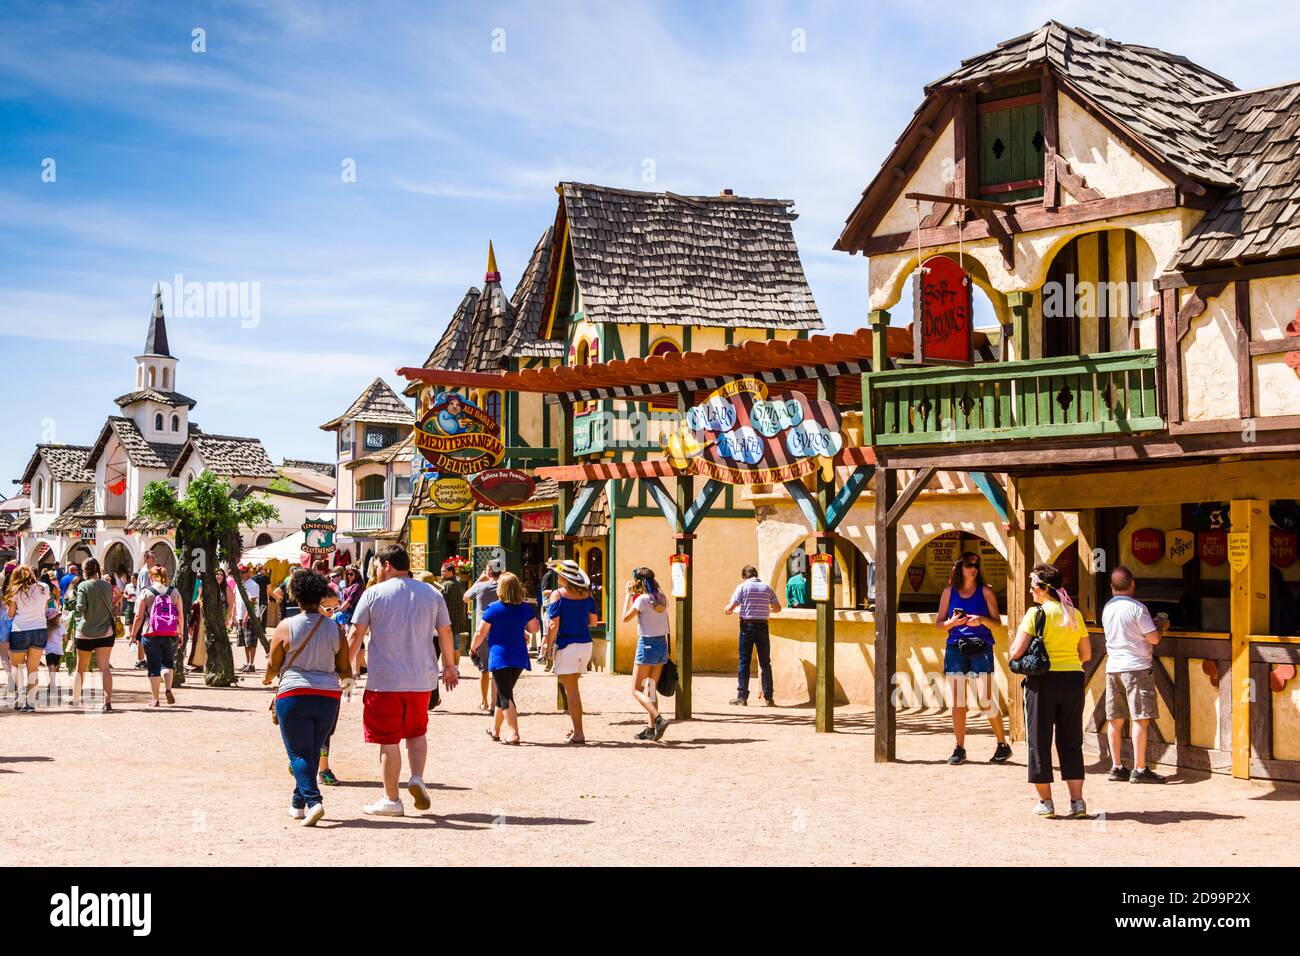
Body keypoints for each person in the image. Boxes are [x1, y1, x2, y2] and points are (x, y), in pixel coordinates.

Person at [347, 544, 458, 817]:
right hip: (422, 679)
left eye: (376, 565)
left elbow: (355, 634)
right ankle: (417, 777)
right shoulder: (432, 593)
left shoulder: (373, 593)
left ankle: (391, 799)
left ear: (386, 565)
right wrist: (450, 666)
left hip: (384, 680)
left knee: (388, 740)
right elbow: (445, 631)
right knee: (417, 733)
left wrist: (346, 669)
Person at [264, 570, 353, 827]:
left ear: (297, 597)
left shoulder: (285, 626)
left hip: (294, 694)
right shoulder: (335, 628)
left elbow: (273, 663)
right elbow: (344, 666)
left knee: (298, 754)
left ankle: (314, 801)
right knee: (312, 753)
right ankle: (298, 803)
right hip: (327, 696)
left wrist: (268, 677)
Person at [1009, 563, 1092, 819]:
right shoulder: (1073, 614)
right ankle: (1077, 801)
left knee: (1039, 740)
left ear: (1044, 588)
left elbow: (1015, 652)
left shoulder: (1036, 614)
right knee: (1070, 740)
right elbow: (1086, 654)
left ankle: (1046, 802)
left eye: (1033, 585)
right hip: (1073, 679)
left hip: (1043, 681)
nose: (1031, 590)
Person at [937, 551, 1011, 765]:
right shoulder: (948, 592)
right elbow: (939, 624)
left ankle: (1002, 744)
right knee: (958, 700)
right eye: (969, 564)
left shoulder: (985, 592)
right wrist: (952, 623)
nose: (974, 569)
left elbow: (997, 623)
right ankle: (959, 747)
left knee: (985, 697)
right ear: (960, 567)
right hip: (955, 647)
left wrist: (981, 620)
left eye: (977, 565)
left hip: (981, 647)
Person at [1102, 565, 1169, 783]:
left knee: (1115, 718)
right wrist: (1161, 626)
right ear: (1132, 584)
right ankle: (1139, 769)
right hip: (1136, 667)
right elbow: (1154, 639)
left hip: (1113, 668)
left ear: (1112, 586)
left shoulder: (1107, 608)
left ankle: (1116, 766)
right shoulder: (1138, 608)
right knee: (1141, 718)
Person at [472, 571, 538, 745]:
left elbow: (480, 632)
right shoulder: (524, 607)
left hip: (500, 656)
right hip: (519, 656)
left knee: (505, 694)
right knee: (504, 693)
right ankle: (495, 730)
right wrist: (521, 628)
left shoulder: (494, 608)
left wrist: (473, 647)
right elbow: (534, 628)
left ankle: (514, 733)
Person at [543, 559, 598, 744]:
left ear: (563, 577)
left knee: (572, 691)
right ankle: (576, 727)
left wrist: (547, 646)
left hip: (567, 645)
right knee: (573, 687)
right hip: (585, 644)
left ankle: (579, 732)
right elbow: (593, 622)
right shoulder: (587, 595)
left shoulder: (558, 595)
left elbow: (553, 624)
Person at [621, 566, 671, 741]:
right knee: (650, 686)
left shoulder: (641, 600)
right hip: (661, 644)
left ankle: (658, 719)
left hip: (647, 643)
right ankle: (651, 728)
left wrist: (628, 595)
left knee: (635, 689)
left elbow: (625, 618)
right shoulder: (662, 598)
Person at [723, 565, 781, 706]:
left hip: (747, 627)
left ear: (744, 576)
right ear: (756, 574)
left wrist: (727, 610)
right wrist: (767, 611)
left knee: (744, 661)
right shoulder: (766, 588)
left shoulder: (742, 587)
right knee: (765, 662)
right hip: (763, 626)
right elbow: (778, 608)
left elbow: (730, 608)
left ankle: (742, 697)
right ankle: (768, 697)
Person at [131, 565, 184, 707]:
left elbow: (139, 616)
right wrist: (181, 633)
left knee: (153, 665)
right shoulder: (174, 592)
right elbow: (180, 616)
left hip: (150, 632)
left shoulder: (146, 592)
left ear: (150, 577)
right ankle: (168, 689)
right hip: (171, 633)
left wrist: (133, 634)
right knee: (168, 662)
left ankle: (155, 699)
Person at [71, 558, 116, 712]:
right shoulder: (107, 585)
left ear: (84, 571)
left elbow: (81, 607)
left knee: (80, 667)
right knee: (104, 668)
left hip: (86, 632)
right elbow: (111, 605)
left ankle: (76, 697)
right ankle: (107, 701)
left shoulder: (83, 585)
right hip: (105, 631)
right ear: (98, 570)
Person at [6, 566, 51, 712]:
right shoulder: (44, 588)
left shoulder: (15, 591)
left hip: (20, 630)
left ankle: (19, 698)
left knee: (16, 667)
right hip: (39, 629)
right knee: (33, 668)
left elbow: (10, 614)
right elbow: (44, 609)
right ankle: (30, 703)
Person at [464, 563, 501, 712]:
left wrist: (479, 579)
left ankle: (484, 701)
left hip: (482, 632)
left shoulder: (480, 587)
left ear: (488, 572)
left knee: (484, 670)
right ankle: (496, 703)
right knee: (498, 670)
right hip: (499, 631)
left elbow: (465, 598)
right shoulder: (504, 587)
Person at [438, 560, 468, 661]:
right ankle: (455, 669)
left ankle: (446, 667)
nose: (442, 573)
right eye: (441, 571)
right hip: (458, 621)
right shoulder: (459, 584)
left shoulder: (445, 585)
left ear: (451, 572)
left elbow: (440, 604)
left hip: (447, 622)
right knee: (456, 646)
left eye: (444, 571)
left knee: (445, 646)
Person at [235, 564, 261, 673]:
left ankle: (252, 663)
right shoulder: (239, 584)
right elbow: (236, 600)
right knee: (244, 642)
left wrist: (247, 616)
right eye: (240, 573)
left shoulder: (253, 585)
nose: (241, 574)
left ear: (248, 573)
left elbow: (253, 601)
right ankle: (247, 663)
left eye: (243, 572)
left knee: (251, 641)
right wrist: (235, 616)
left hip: (251, 617)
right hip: (241, 616)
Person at [134, 550, 157, 669]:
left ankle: (143, 658)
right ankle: (140, 659)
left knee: (145, 632)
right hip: (143, 606)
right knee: (140, 634)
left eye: (154, 558)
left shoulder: (149, 571)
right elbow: (144, 589)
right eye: (151, 558)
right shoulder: (145, 572)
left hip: (147, 606)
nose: (153, 560)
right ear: (146, 559)